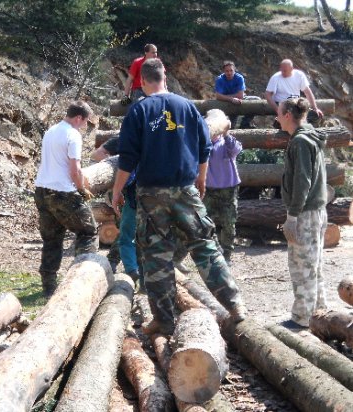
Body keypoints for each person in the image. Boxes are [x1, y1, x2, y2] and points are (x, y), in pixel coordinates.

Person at [112, 58, 247, 335]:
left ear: (142, 81)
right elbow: (204, 147)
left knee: (156, 256)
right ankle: (235, 305)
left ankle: (164, 319)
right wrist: (201, 178)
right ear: (165, 76)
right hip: (185, 189)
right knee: (205, 245)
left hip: (151, 194)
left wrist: (116, 191)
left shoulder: (138, 110)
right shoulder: (187, 106)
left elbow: (127, 159)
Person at [34, 101, 98, 297]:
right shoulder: (73, 135)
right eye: (85, 122)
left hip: (42, 190)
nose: (84, 126)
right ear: (79, 118)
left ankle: (49, 286)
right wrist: (82, 189)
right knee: (88, 231)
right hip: (63, 192)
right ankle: (80, 281)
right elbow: (74, 169)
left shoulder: (51, 131)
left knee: (52, 239)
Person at [278, 97, 328, 328]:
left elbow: (302, 182)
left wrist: (292, 216)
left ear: (288, 115)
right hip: (317, 210)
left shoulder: (300, 142)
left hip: (305, 213)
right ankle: (318, 314)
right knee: (313, 264)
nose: (277, 117)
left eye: (279, 113)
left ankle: (302, 318)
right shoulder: (311, 136)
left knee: (301, 266)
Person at [92, 137, 142, 285]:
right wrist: (111, 164)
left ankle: (131, 268)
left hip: (132, 195)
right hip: (127, 194)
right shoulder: (120, 140)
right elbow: (96, 155)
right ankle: (122, 265)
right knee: (126, 232)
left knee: (128, 234)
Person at [203, 109, 242, 264]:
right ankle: (212, 251)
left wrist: (226, 133)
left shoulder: (227, 142)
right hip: (209, 190)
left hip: (228, 190)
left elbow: (236, 150)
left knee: (229, 223)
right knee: (205, 222)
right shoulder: (203, 143)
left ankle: (226, 254)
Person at [266, 59, 324, 125]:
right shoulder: (275, 77)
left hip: (296, 104)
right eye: (281, 70)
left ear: (291, 69)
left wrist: (315, 108)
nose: (283, 72)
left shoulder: (299, 75)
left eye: (285, 71)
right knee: (291, 118)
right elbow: (268, 95)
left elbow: (307, 92)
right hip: (283, 105)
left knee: (316, 116)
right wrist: (278, 110)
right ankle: (281, 123)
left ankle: (306, 131)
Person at [214, 60, 258, 129]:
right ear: (224, 71)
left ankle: (245, 123)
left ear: (234, 70)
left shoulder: (239, 78)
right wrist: (231, 99)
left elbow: (240, 96)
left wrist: (224, 96)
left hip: (240, 101)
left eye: (231, 70)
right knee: (231, 127)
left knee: (256, 101)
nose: (229, 73)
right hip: (226, 103)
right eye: (227, 71)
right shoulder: (220, 79)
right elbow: (218, 96)